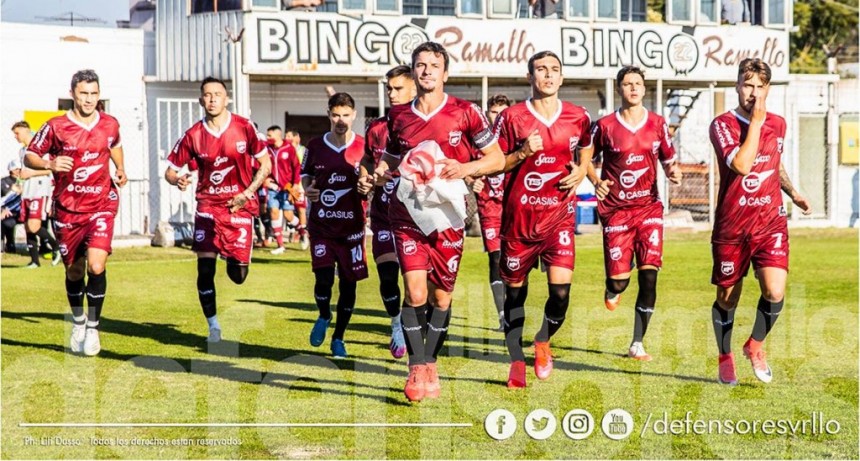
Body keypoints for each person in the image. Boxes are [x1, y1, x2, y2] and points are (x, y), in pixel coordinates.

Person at [363, 41, 505, 402]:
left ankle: (432, 360)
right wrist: (375, 175)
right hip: (406, 214)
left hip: (448, 217)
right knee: (415, 292)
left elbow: (497, 159)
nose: (426, 71)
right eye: (420, 65)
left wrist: (466, 167)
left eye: (433, 65)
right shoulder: (398, 116)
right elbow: (391, 160)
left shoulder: (466, 112)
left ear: (445, 73)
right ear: (414, 72)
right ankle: (417, 366)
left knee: (441, 298)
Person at [708, 58, 811, 386]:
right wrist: (755, 122)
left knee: (775, 291)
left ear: (768, 89)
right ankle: (725, 356)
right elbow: (741, 165)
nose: (753, 92)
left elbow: (773, 163)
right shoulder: (722, 124)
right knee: (727, 298)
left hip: (770, 222)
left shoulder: (779, 124)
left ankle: (755, 345)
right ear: (737, 86)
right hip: (732, 226)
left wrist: (792, 192)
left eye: (759, 87)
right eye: (747, 85)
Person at [495, 51, 594, 388]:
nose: (548, 76)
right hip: (519, 222)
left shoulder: (578, 116)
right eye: (541, 70)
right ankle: (516, 361)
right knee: (514, 298)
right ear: (529, 77)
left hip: (559, 219)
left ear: (562, 78)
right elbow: (496, 162)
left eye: (554, 70)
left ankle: (542, 340)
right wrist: (522, 152)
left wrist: (581, 170)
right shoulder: (512, 117)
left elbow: (586, 148)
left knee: (561, 295)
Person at [24, 69, 128, 356]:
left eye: (94, 93)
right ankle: (79, 322)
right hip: (68, 208)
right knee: (75, 270)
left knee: (96, 265)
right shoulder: (56, 126)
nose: (89, 99)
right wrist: (51, 163)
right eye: (84, 93)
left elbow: (115, 146)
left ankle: (93, 329)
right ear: (72, 94)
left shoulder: (110, 123)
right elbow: (29, 155)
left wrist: (120, 169)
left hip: (102, 203)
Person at [164, 76, 272, 343]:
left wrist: (247, 194)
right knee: (204, 270)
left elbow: (265, 164)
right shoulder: (193, 135)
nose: (212, 99)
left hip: (239, 208)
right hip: (208, 208)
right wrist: (177, 179)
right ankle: (213, 326)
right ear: (201, 100)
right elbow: (170, 170)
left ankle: (231, 254)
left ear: (226, 99)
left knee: (238, 276)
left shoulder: (244, 128)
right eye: (207, 95)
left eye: (217, 94)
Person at [587, 66, 682, 362]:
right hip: (616, 212)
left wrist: (673, 171)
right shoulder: (604, 126)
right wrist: (596, 180)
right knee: (619, 281)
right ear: (619, 89)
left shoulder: (657, 123)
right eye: (627, 84)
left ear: (644, 88)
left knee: (650, 275)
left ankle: (637, 343)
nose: (633, 88)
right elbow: (585, 158)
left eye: (638, 83)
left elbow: (668, 158)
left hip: (649, 209)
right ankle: (612, 288)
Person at [302, 93, 368, 359]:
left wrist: (366, 185)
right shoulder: (316, 145)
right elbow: (306, 175)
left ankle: (339, 338)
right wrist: (308, 190)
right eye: (335, 115)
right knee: (324, 279)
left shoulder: (363, 146)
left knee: (349, 286)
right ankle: (323, 315)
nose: (340, 120)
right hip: (322, 227)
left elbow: (369, 178)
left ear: (354, 115)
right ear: (328, 114)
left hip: (352, 228)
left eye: (345, 115)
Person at [357, 65, 416, 359]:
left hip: (417, 217)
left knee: (415, 283)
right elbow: (367, 160)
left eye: (398, 88)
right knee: (388, 276)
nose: (391, 94)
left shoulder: (426, 126)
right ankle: (396, 324)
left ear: (415, 88)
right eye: (388, 88)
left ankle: (410, 323)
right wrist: (365, 176)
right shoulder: (378, 127)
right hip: (382, 213)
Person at [464, 94, 512, 331]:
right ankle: (502, 315)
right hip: (489, 209)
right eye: (494, 112)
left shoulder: (514, 139)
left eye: (502, 112)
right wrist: (472, 181)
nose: (498, 116)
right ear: (487, 114)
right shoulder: (478, 141)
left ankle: (514, 309)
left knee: (514, 262)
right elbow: (466, 168)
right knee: (495, 258)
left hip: (514, 208)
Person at [12, 121, 60, 268]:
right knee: (27, 226)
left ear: (26, 130)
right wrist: (19, 183)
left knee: (33, 225)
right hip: (27, 191)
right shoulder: (22, 151)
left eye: (17, 133)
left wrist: (32, 173)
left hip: (39, 190)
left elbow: (51, 168)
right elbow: (24, 172)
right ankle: (34, 261)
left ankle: (57, 247)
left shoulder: (40, 148)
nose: (15, 136)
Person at [265, 125, 302, 255]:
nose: (267, 138)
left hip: (288, 188)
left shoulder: (289, 148)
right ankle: (280, 245)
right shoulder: (267, 149)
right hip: (273, 188)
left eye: (269, 135)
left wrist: (296, 183)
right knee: (274, 213)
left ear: (278, 135)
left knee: (288, 216)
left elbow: (297, 167)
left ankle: (303, 232)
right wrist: (267, 179)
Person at [285, 127, 310, 249]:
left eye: (289, 136)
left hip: (299, 185)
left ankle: (304, 235)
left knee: (301, 210)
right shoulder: (285, 150)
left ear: (296, 137)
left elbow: (303, 169)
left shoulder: (303, 150)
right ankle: (300, 231)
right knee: (287, 212)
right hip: (287, 185)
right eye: (286, 136)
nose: (287, 138)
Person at [1, 160, 22, 254]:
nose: (18, 171)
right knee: (5, 221)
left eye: (20, 169)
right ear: (11, 170)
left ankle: (44, 247)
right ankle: (7, 245)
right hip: (8, 211)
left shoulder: (24, 181)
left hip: (22, 210)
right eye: (16, 169)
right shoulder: (3, 182)